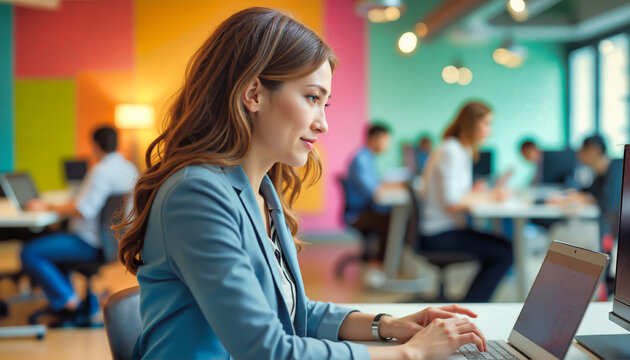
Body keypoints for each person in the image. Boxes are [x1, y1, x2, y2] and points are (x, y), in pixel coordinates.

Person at [116, 8, 487, 360]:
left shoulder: (262, 192)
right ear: (254, 94)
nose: (323, 124)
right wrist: (411, 352)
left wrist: (389, 326)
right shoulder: (195, 194)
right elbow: (268, 349)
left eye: (324, 104)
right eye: (312, 97)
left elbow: (295, 313)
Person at [20, 126, 138, 325]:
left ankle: (68, 300)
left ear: (95, 146)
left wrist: (47, 205)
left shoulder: (100, 170)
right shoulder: (130, 168)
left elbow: (83, 210)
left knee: (30, 251)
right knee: (54, 243)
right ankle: (70, 299)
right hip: (114, 242)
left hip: (90, 244)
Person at [420, 101, 513, 303]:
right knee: (504, 252)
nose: (490, 130)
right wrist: (490, 196)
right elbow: (452, 202)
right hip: (438, 234)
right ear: (472, 124)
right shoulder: (451, 150)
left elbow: (455, 195)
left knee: (505, 247)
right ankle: (472, 306)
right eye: (486, 123)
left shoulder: (459, 149)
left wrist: (475, 192)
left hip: (446, 228)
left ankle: (472, 302)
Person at [344, 124, 401, 262]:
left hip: (365, 208)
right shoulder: (362, 160)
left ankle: (383, 261)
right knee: (393, 219)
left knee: (394, 216)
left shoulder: (368, 157)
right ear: (374, 139)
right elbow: (373, 192)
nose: (387, 144)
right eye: (385, 140)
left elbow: (375, 186)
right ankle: (380, 263)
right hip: (359, 213)